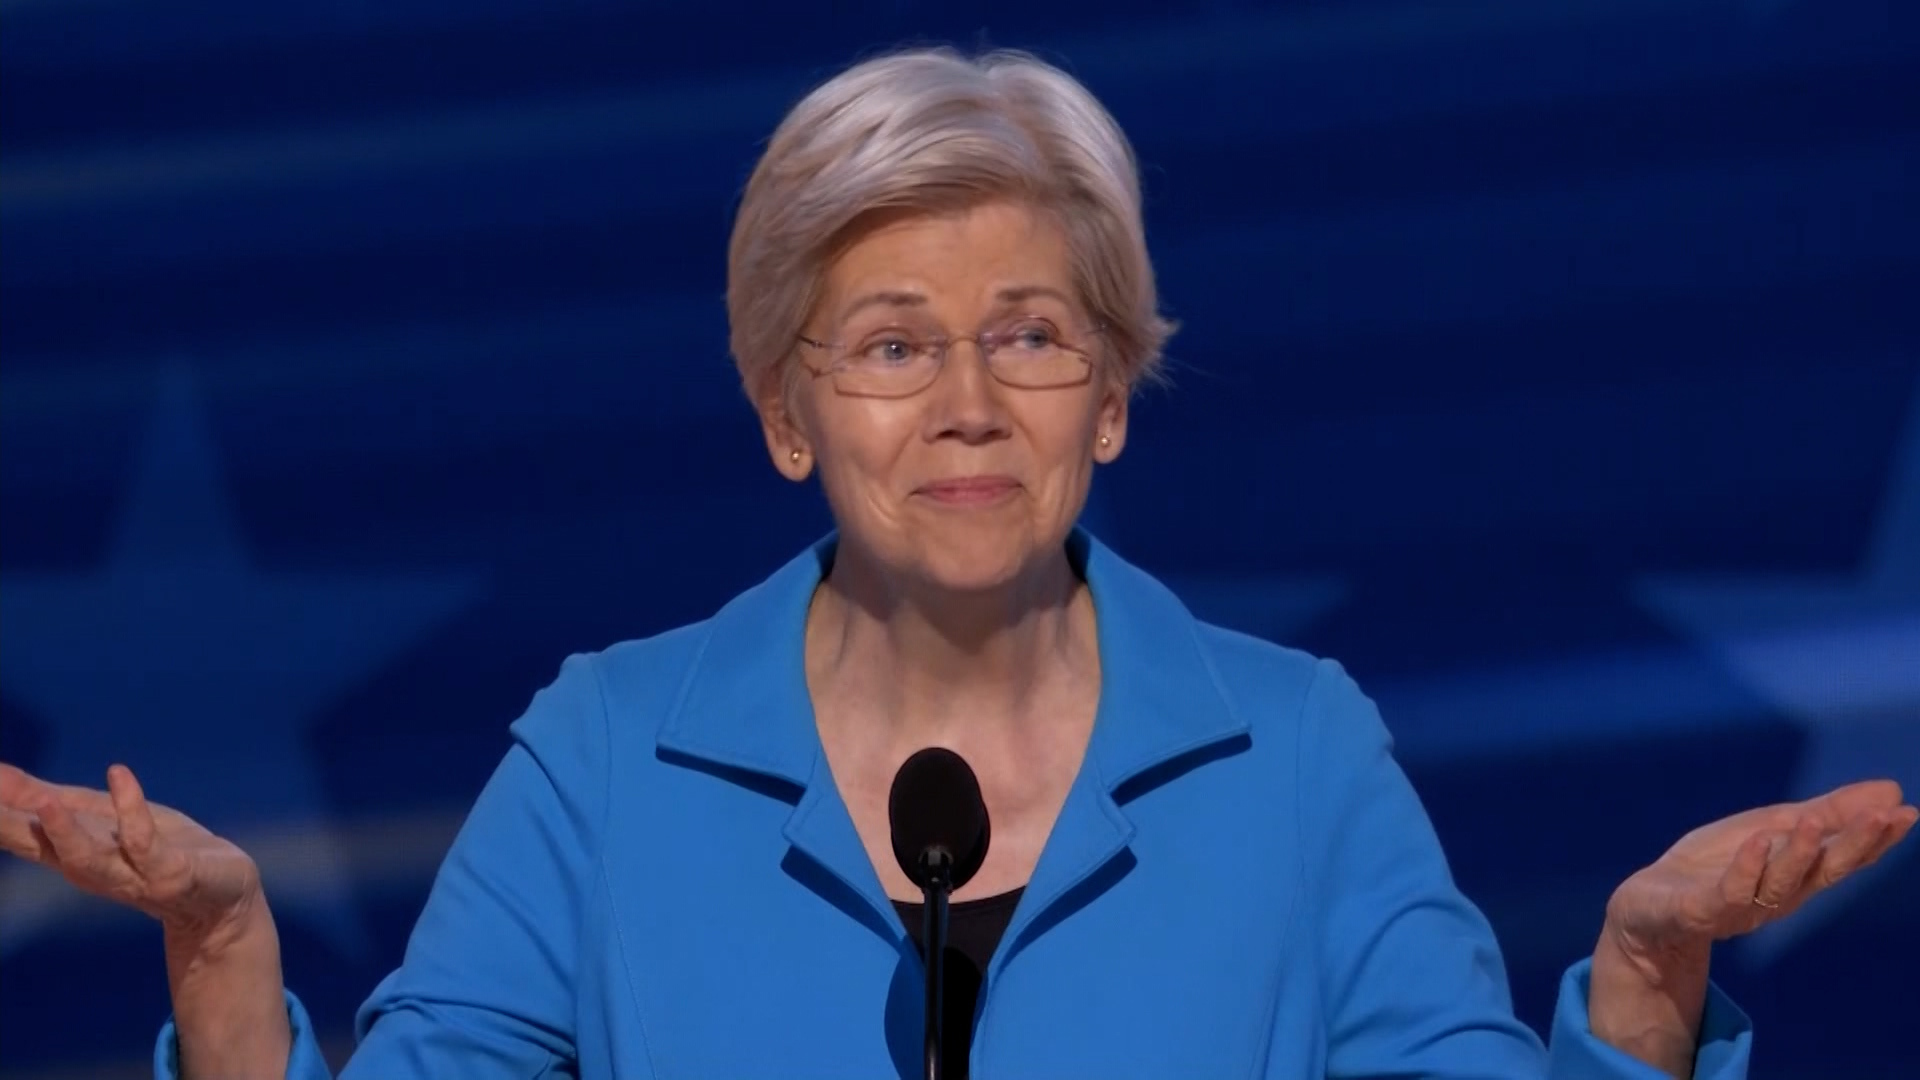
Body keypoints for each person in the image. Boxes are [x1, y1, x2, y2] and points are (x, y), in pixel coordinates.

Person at [0, 46, 1912, 1080]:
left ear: (1115, 404)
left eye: (1036, 334)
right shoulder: (606, 752)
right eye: (897, 345)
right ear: (785, 411)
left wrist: (1646, 982)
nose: (973, 402)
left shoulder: (1299, 750)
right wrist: (231, 959)